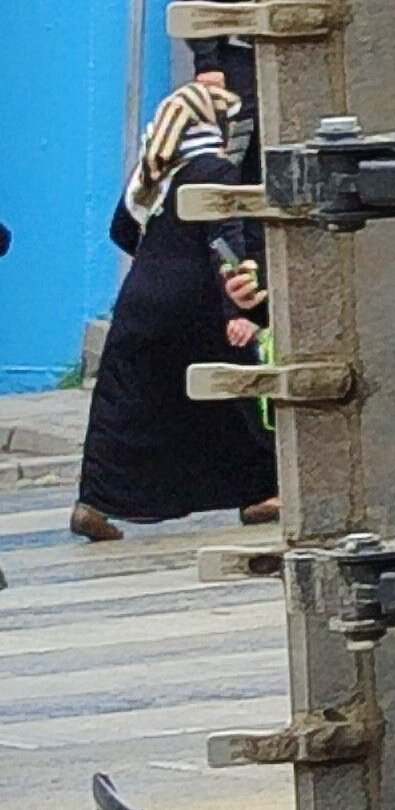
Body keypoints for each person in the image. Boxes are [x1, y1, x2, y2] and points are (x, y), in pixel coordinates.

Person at [71, 51, 278, 540]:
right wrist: (240, 307)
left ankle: (93, 504)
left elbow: (121, 230)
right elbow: (225, 240)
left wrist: (159, 256)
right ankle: (261, 492)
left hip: (141, 300)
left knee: (126, 405)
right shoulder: (214, 170)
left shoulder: (154, 174)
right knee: (236, 395)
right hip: (195, 302)